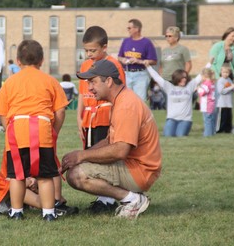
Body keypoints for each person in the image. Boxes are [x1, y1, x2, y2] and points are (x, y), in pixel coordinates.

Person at [61, 59, 162, 219]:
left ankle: (132, 200)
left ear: (108, 81)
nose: (90, 88)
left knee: (76, 175)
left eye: (93, 82)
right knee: (79, 166)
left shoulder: (126, 105)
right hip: (135, 165)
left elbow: (120, 150)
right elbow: (109, 140)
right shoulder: (120, 100)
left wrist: (81, 157)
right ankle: (130, 196)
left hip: (140, 171)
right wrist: (79, 156)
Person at [0, 40, 68, 221]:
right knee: (45, 176)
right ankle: (49, 213)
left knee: (17, 176)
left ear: (18, 61)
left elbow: (3, 113)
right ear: (42, 60)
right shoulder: (50, 81)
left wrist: (9, 130)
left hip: (17, 132)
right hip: (42, 131)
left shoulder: (9, 83)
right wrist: (54, 131)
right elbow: (60, 110)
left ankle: (17, 211)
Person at [77, 26, 126, 213]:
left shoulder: (114, 64)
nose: (89, 54)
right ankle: (102, 196)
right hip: (89, 117)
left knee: (105, 155)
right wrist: (79, 117)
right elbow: (83, 94)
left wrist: (116, 119)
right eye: (86, 50)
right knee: (90, 155)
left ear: (104, 47)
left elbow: (119, 94)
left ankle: (108, 198)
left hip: (106, 115)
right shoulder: (85, 66)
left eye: (93, 50)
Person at [144, 63, 202, 136]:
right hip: (171, 119)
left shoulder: (190, 86)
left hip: (185, 120)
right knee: (168, 136)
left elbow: (201, 75)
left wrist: (211, 63)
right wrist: (148, 67)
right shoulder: (169, 87)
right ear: (177, 78)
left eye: (185, 78)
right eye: (182, 77)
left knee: (180, 136)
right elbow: (157, 78)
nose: (184, 79)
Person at [118, 19, 157, 101]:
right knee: (127, 100)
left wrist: (139, 61)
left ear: (137, 29)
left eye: (129, 28)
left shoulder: (146, 42)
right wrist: (123, 60)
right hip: (127, 73)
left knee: (139, 101)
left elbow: (154, 61)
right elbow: (119, 57)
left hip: (141, 74)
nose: (128, 30)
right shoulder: (126, 41)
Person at [216, 66, 234, 133]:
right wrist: (231, 87)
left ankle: (228, 129)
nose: (225, 74)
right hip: (222, 103)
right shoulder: (220, 80)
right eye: (224, 72)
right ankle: (220, 130)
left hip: (228, 103)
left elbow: (233, 89)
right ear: (221, 72)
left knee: (228, 117)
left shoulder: (229, 79)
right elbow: (221, 91)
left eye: (227, 72)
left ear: (229, 73)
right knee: (222, 118)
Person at [197, 68, 216, 137]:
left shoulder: (206, 84)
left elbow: (202, 93)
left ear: (204, 76)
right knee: (211, 120)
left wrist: (198, 88)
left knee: (207, 120)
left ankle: (207, 134)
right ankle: (212, 132)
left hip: (207, 105)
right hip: (212, 104)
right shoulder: (212, 83)